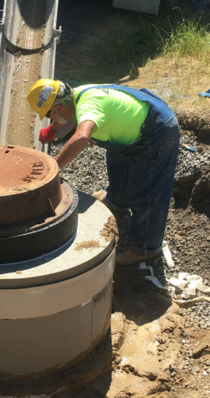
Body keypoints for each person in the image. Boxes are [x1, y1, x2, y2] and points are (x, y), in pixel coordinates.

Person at [26, 79, 180, 266]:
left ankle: (146, 248)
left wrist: (53, 168)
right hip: (129, 128)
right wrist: (52, 130)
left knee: (146, 191)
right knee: (117, 165)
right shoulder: (74, 96)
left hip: (155, 131)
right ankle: (117, 202)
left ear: (58, 109)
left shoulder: (89, 104)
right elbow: (66, 114)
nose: (52, 119)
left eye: (50, 115)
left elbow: (82, 136)